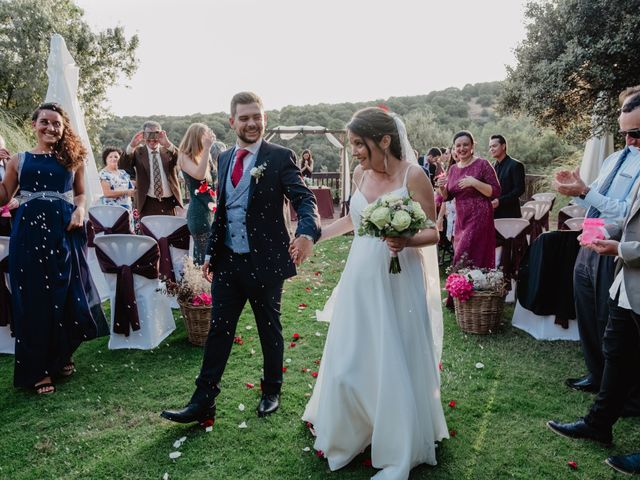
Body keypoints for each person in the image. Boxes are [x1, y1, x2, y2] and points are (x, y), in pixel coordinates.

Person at [300, 107, 448, 479]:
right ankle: (354, 424)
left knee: (392, 349)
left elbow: (433, 232)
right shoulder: (359, 173)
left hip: (398, 277)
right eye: (351, 144)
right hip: (360, 275)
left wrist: (405, 238)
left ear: (384, 140)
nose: (355, 151)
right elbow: (354, 219)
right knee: (352, 350)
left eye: (358, 144)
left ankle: (396, 431)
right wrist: (315, 237)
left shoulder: (414, 176)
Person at [161, 92, 321, 425]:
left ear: (265, 119)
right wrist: (211, 253)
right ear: (232, 121)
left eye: (256, 117)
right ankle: (203, 400)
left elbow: (305, 200)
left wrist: (306, 233)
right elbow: (223, 210)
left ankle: (271, 390)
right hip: (228, 262)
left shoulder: (280, 157)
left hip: (263, 262)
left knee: (269, 328)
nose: (251, 123)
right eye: (244, 118)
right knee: (218, 330)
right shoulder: (226, 157)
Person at [0, 102, 107, 395]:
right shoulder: (18, 160)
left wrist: (80, 210)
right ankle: (38, 370)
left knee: (67, 293)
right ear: (34, 125)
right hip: (29, 235)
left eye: (56, 123)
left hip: (64, 230)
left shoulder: (73, 158)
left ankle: (61, 356)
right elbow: (3, 196)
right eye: (44, 122)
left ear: (63, 128)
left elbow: (82, 193)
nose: (50, 127)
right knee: (33, 298)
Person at [547, 182, 640, 475]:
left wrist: (620, 248)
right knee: (616, 351)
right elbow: (631, 221)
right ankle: (599, 424)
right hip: (627, 285)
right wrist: (606, 232)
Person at [553, 91, 640, 395]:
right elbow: (596, 197)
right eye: (625, 133)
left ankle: (614, 383)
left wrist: (587, 191)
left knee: (608, 315)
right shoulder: (613, 158)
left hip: (616, 242)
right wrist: (575, 190)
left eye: (635, 134)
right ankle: (594, 372)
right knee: (586, 306)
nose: (629, 140)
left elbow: (626, 211)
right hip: (589, 235)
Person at [436, 130, 500, 268]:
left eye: (465, 144)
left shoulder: (482, 164)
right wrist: (442, 188)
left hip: (479, 217)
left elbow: (495, 191)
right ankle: (463, 287)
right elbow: (448, 197)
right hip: (461, 219)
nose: (462, 148)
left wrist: (474, 182)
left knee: (464, 255)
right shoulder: (453, 169)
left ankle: (467, 285)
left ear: (472, 146)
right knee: (463, 254)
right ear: (454, 148)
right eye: (458, 145)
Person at [120, 120, 182, 218]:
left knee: (170, 233)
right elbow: (123, 165)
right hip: (147, 203)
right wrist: (132, 145)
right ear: (144, 135)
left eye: (155, 134)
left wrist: (168, 144)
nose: (152, 139)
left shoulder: (168, 150)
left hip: (169, 203)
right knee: (148, 233)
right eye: (149, 134)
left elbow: (182, 160)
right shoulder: (138, 152)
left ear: (161, 134)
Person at [177, 123, 219, 264]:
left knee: (213, 257)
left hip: (211, 211)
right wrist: (207, 148)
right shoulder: (184, 156)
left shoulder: (204, 157)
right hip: (199, 214)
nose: (209, 138)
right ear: (196, 137)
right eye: (205, 135)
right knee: (206, 260)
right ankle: (202, 286)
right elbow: (200, 175)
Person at [489, 134, 526, 218]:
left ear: (503, 146)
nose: (491, 149)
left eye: (494, 146)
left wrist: (500, 201)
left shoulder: (516, 165)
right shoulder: (492, 166)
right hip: (493, 213)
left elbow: (519, 189)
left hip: (510, 214)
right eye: (490, 147)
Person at [98, 147, 135, 212]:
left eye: (116, 157)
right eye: (110, 157)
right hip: (111, 210)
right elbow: (107, 193)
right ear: (105, 159)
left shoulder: (123, 173)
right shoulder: (103, 174)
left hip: (127, 208)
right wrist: (126, 192)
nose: (113, 159)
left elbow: (131, 189)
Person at [0, 135, 18, 235]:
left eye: (1, 147)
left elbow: (26, 191)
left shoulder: (13, 164)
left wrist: (18, 200)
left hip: (14, 221)